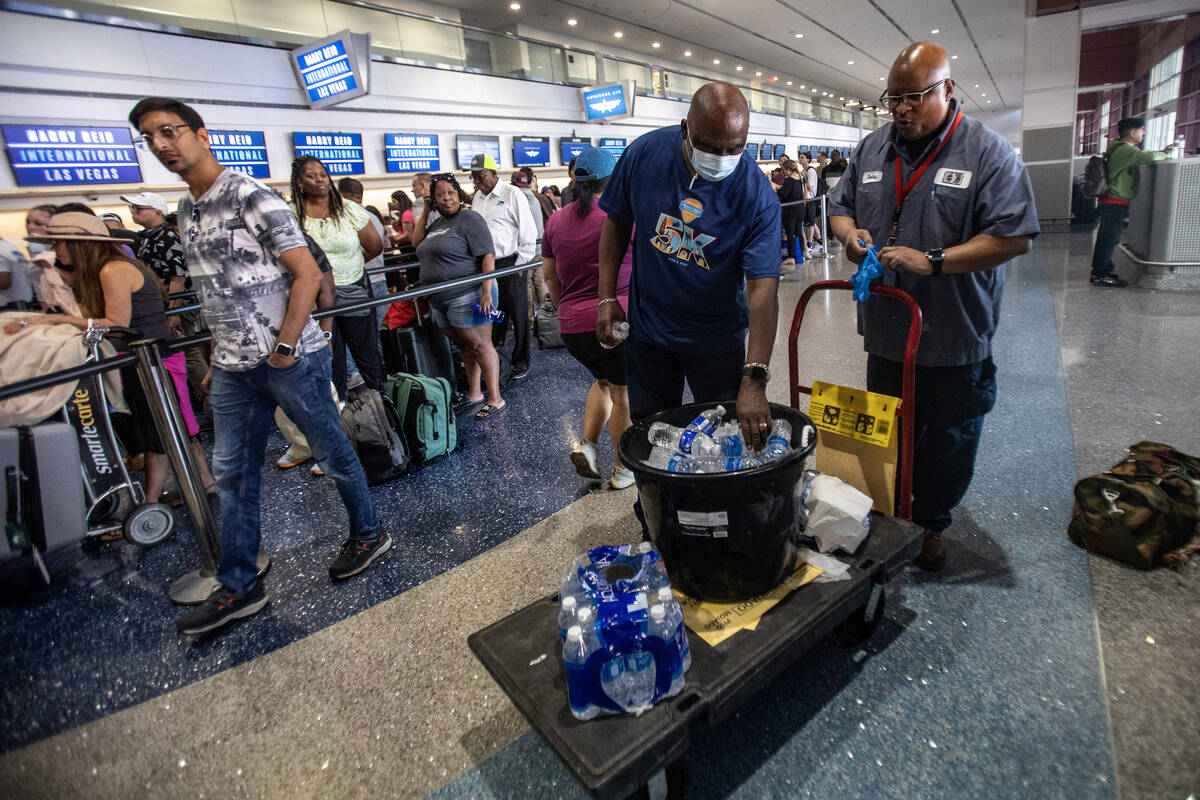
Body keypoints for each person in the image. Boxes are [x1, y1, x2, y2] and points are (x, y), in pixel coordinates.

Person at [129, 96, 387, 635]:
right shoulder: (187, 210)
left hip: (290, 358)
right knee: (233, 473)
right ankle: (240, 584)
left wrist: (286, 346)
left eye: (168, 130)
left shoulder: (250, 194)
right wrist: (220, 355)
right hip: (233, 365)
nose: (160, 144)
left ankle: (368, 532)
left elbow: (307, 274)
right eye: (149, 137)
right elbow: (217, 290)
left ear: (202, 134)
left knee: (334, 452)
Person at [828, 41, 1039, 571]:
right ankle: (893, 509)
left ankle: (931, 523)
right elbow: (840, 209)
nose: (901, 109)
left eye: (914, 97)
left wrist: (935, 261)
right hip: (887, 332)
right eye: (893, 98)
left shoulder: (987, 153)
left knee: (948, 438)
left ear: (947, 89)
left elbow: (1014, 236)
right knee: (892, 428)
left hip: (953, 333)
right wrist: (851, 237)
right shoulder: (873, 148)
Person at [596, 81, 782, 456]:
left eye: (735, 148)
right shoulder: (645, 154)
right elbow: (616, 221)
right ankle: (657, 511)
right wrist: (606, 297)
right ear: (686, 130)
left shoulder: (755, 193)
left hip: (716, 339)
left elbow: (763, 288)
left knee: (724, 438)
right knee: (653, 434)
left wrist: (755, 375)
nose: (723, 157)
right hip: (650, 333)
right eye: (711, 147)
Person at [7, 212, 216, 512]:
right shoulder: (103, 270)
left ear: (78, 244)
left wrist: (51, 318)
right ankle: (203, 483)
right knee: (176, 425)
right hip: (148, 358)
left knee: (159, 430)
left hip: (151, 360)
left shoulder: (113, 270)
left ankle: (151, 502)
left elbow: (116, 323)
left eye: (58, 242)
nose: (56, 249)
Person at [542, 147, 635, 490]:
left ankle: (588, 444)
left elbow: (551, 278)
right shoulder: (619, 216)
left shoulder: (556, 219)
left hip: (572, 325)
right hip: (614, 320)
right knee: (624, 394)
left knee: (603, 382)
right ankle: (624, 469)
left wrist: (567, 306)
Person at [290, 156, 385, 399]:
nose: (320, 179)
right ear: (300, 182)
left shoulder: (347, 209)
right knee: (331, 357)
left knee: (367, 354)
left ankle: (382, 407)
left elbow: (375, 246)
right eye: (312, 175)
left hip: (352, 289)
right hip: (315, 297)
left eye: (322, 174)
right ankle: (340, 409)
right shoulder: (293, 215)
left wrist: (348, 267)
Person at [413, 173, 505, 420]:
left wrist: (486, 292)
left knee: (479, 344)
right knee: (465, 346)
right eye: (440, 195)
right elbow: (416, 243)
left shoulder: (470, 219)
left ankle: (495, 397)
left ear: (458, 194)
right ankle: (474, 393)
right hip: (440, 299)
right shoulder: (436, 224)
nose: (446, 198)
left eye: (450, 192)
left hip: (470, 294)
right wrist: (424, 211)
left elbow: (487, 255)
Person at [469, 153, 538, 380]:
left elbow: (528, 231)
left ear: (494, 174)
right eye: (473, 178)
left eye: (480, 177)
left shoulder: (512, 194)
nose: (477, 182)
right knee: (496, 314)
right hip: (487, 265)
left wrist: (520, 265)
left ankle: (521, 360)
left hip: (511, 263)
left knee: (518, 316)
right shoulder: (477, 197)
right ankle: (497, 354)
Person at [1089, 116, 1171, 288]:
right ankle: (1100, 274)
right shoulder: (1126, 150)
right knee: (1109, 239)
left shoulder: (1117, 147)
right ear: (1133, 132)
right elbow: (1148, 157)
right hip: (1114, 200)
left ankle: (1102, 271)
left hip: (1111, 200)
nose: (1143, 133)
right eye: (1142, 130)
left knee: (1107, 237)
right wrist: (1166, 153)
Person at [777, 160, 805, 272]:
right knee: (799, 233)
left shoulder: (789, 180)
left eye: (784, 170)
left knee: (790, 234)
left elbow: (785, 194)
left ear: (788, 170)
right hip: (799, 209)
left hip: (790, 211)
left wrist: (778, 188)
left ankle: (791, 257)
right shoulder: (800, 179)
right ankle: (801, 255)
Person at [798, 152, 823, 257]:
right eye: (799, 157)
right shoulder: (803, 171)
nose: (800, 159)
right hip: (805, 200)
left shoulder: (811, 171)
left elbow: (810, 187)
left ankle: (809, 244)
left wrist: (804, 177)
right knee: (810, 221)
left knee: (810, 223)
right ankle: (820, 243)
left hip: (810, 199)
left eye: (802, 157)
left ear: (808, 159)